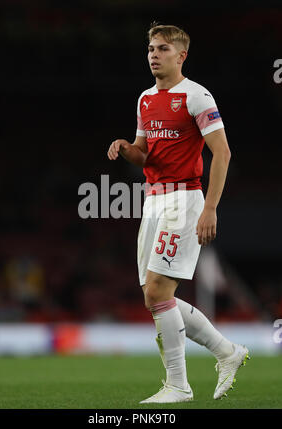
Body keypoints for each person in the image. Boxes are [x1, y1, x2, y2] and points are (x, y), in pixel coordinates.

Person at [107, 23, 249, 404]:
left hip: (185, 199)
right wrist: (125, 147)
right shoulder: (145, 99)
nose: (154, 54)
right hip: (152, 200)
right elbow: (144, 153)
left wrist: (211, 208)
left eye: (163, 49)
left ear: (181, 55)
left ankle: (178, 386)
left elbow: (223, 153)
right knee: (154, 298)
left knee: (158, 291)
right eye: (151, 48)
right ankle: (227, 352)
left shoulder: (196, 96)